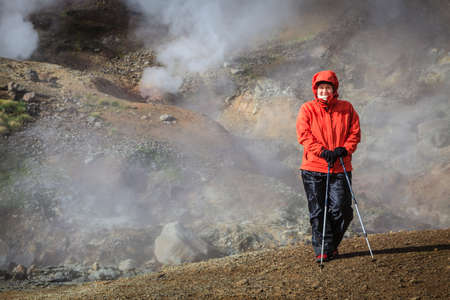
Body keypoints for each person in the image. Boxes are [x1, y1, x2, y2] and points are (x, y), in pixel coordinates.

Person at [296, 70, 361, 262]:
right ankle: (322, 250)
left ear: (334, 89)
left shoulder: (346, 108)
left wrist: (343, 149)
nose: (324, 91)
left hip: (340, 166)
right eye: (321, 88)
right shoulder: (307, 109)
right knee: (318, 211)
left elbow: (355, 133)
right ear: (316, 90)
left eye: (328, 87)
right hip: (313, 167)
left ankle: (329, 245)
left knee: (342, 210)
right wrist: (322, 151)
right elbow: (304, 135)